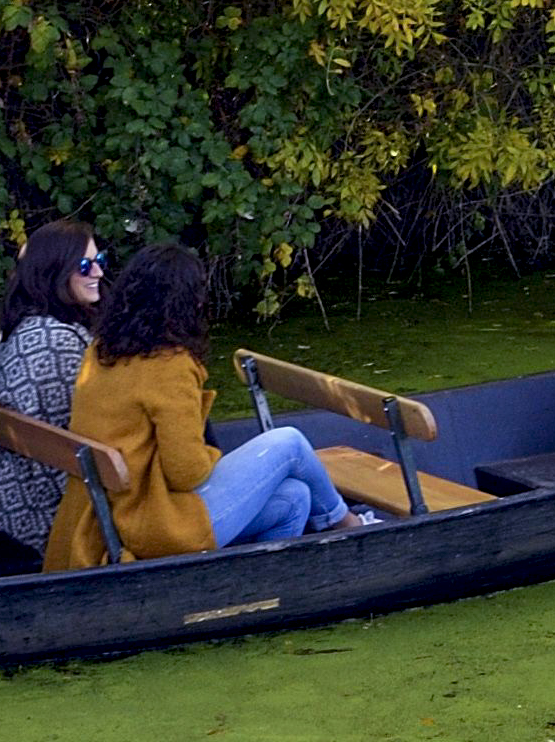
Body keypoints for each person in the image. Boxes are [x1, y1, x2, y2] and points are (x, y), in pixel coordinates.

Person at [51, 241, 355, 562]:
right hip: (152, 524)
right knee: (289, 442)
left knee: (295, 497)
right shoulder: (169, 364)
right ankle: (348, 524)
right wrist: (213, 457)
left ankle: (259, 588)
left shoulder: (101, 350)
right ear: (187, 303)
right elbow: (187, 473)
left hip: (114, 515)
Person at [0, 219, 108, 552]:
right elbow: (90, 435)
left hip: (5, 507)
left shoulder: (20, 328)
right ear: (55, 272)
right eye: (85, 266)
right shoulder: (56, 341)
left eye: (99, 261)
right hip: (46, 522)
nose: (99, 273)